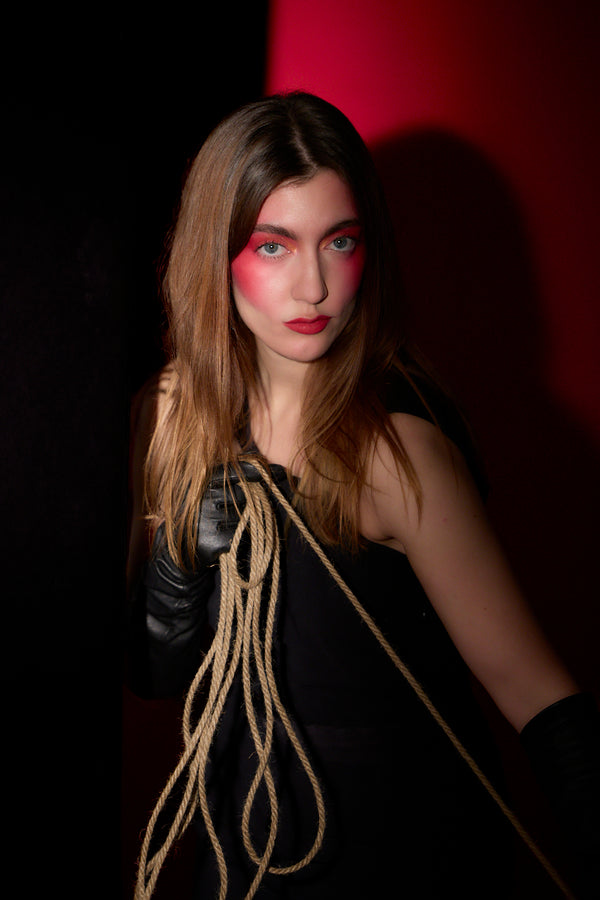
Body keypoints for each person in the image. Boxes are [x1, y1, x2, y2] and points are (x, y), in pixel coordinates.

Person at [126, 92, 599, 899]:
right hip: (246, 846)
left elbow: (539, 696)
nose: (312, 285)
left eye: (338, 242)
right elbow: (158, 673)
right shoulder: (176, 410)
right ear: (216, 252)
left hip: (400, 856)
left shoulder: (394, 449)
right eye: (273, 247)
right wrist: (179, 560)